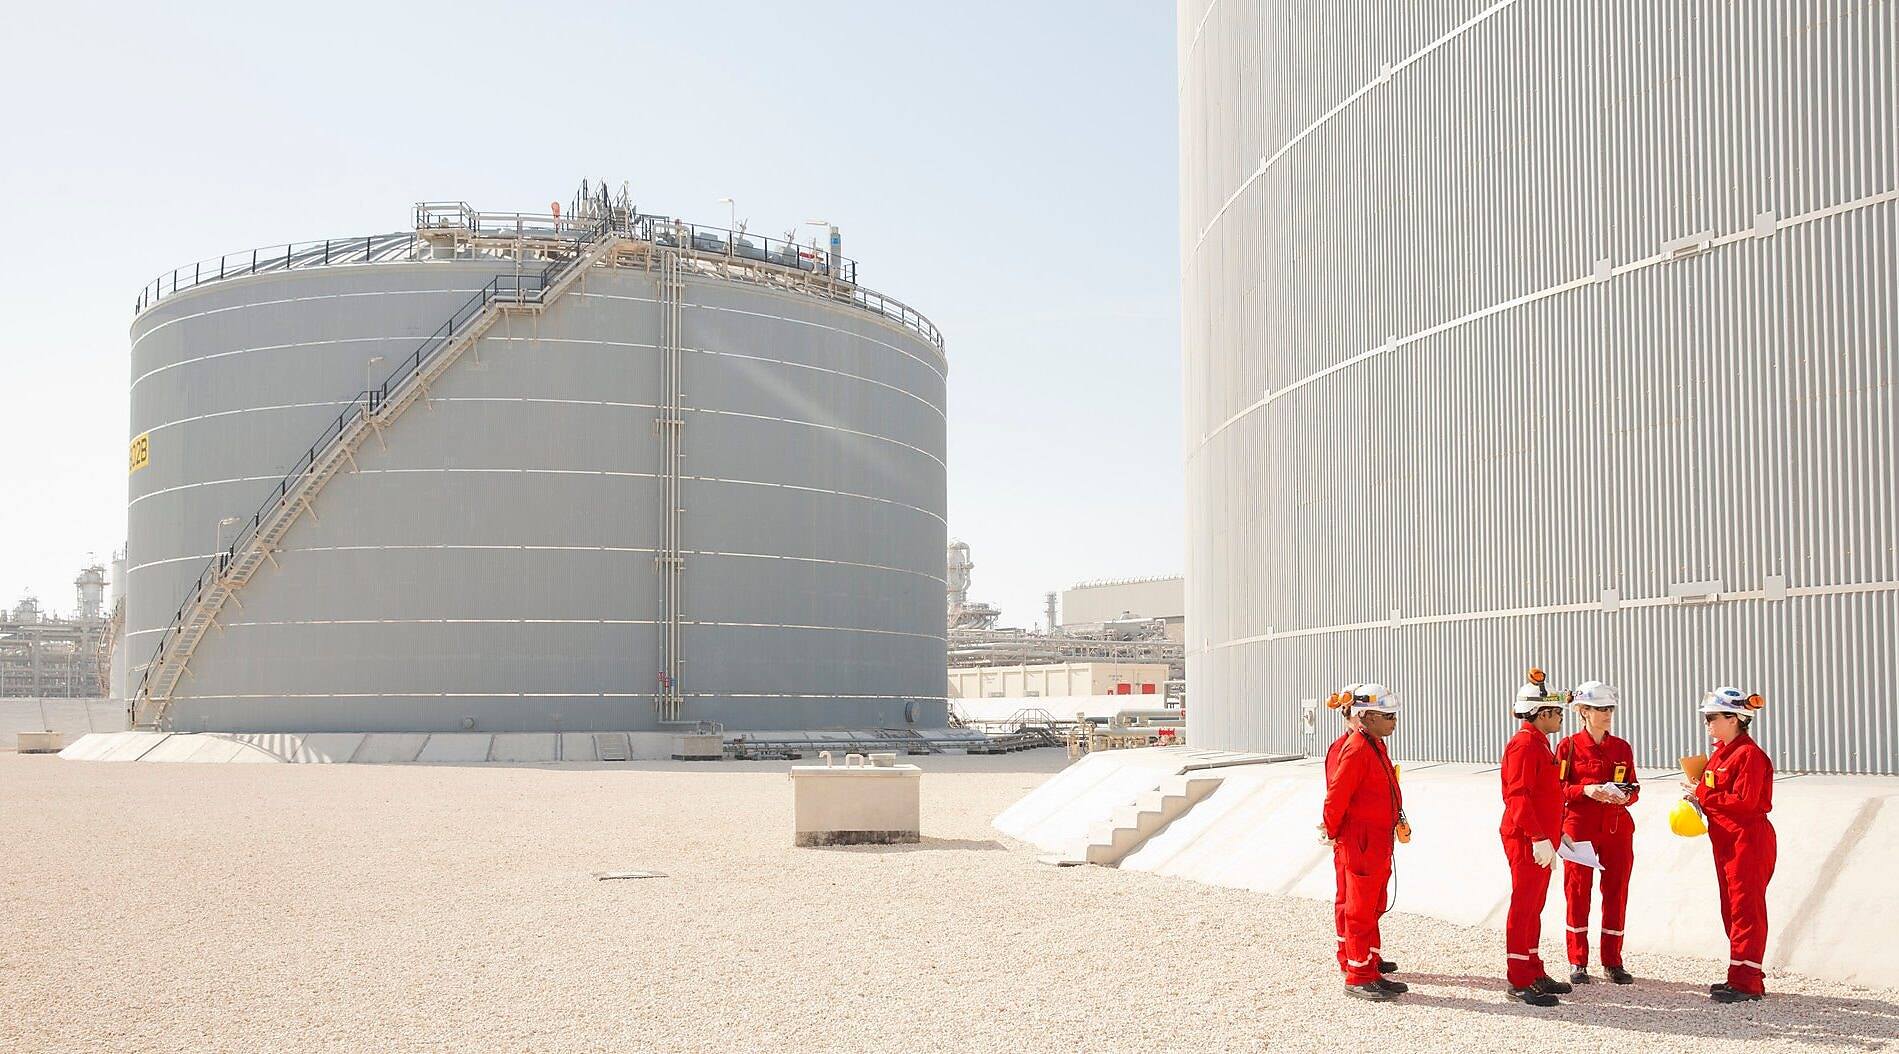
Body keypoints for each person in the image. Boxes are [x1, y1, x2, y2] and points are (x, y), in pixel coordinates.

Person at [1320, 683, 1408, 1002]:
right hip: (1360, 840)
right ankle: (1358, 974)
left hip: (1376, 838)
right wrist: (1331, 831)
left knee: (1372, 904)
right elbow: (1337, 795)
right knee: (1358, 908)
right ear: (1367, 717)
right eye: (1388, 716)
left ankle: (1368, 965)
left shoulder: (1374, 745)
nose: (1394, 721)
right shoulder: (1355, 748)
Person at [1692, 687, 1776, 1003]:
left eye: (1712, 717)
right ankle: (1739, 974)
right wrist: (1697, 795)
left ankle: (1748, 983)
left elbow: (1745, 801)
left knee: (1746, 910)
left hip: (1747, 841)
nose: (1707, 723)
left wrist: (1702, 793)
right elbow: (1716, 795)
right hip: (1727, 840)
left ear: (1734, 719)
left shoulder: (1749, 756)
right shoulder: (1721, 754)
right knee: (1732, 909)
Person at [1558, 681, 1639, 985]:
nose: (1607, 714)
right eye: (1600, 709)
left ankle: (1613, 961)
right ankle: (1577, 961)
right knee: (1577, 892)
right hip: (1579, 828)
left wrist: (1625, 796)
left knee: (1617, 892)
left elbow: (1634, 787)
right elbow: (1558, 788)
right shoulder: (1568, 747)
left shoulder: (1621, 748)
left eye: (1609, 708)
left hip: (1617, 829)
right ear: (1583, 711)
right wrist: (1586, 790)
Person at [1500, 668, 1572, 1007]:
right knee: (1524, 905)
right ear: (1541, 713)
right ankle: (1519, 979)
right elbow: (1518, 797)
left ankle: (1532, 969)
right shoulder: (1525, 745)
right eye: (1556, 711)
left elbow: (1546, 795)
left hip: (1540, 838)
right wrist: (1537, 837)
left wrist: (1555, 834)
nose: (1560, 717)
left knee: (1534, 906)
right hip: (1526, 838)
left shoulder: (1539, 743)